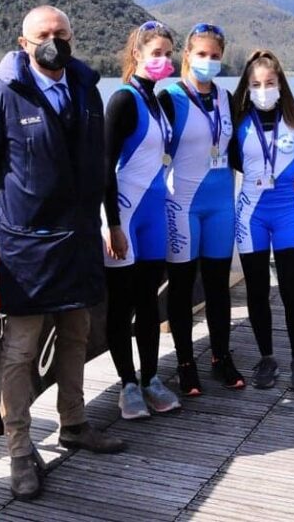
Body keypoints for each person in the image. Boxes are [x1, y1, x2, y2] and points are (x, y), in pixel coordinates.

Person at [0, 6, 124, 502]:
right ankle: (18, 453)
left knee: (78, 334)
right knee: (21, 351)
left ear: (72, 36)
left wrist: (108, 220)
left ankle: (74, 423)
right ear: (23, 42)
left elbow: (100, 165)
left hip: (78, 243)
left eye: (61, 33)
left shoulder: (87, 90)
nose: (54, 42)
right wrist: (9, 224)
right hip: (26, 251)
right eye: (43, 35)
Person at [158, 23, 245, 395]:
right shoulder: (170, 97)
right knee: (180, 289)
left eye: (215, 56)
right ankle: (185, 362)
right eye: (202, 55)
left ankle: (221, 356)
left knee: (218, 287)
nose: (209, 61)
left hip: (221, 205)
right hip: (183, 207)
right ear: (187, 56)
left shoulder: (227, 98)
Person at [102, 21, 181, 418]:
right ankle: (127, 385)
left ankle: (151, 378)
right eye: (156, 54)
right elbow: (104, 167)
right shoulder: (123, 101)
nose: (164, 61)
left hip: (153, 213)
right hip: (124, 216)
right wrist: (112, 223)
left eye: (169, 54)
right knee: (121, 305)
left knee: (149, 302)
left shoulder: (162, 101)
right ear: (137, 56)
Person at [230, 50, 294, 390]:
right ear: (247, 88)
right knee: (257, 291)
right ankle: (266, 358)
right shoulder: (238, 120)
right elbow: (234, 160)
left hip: (288, 213)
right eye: (255, 84)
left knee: (293, 290)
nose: (263, 89)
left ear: (280, 84)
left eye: (269, 83)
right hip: (251, 213)